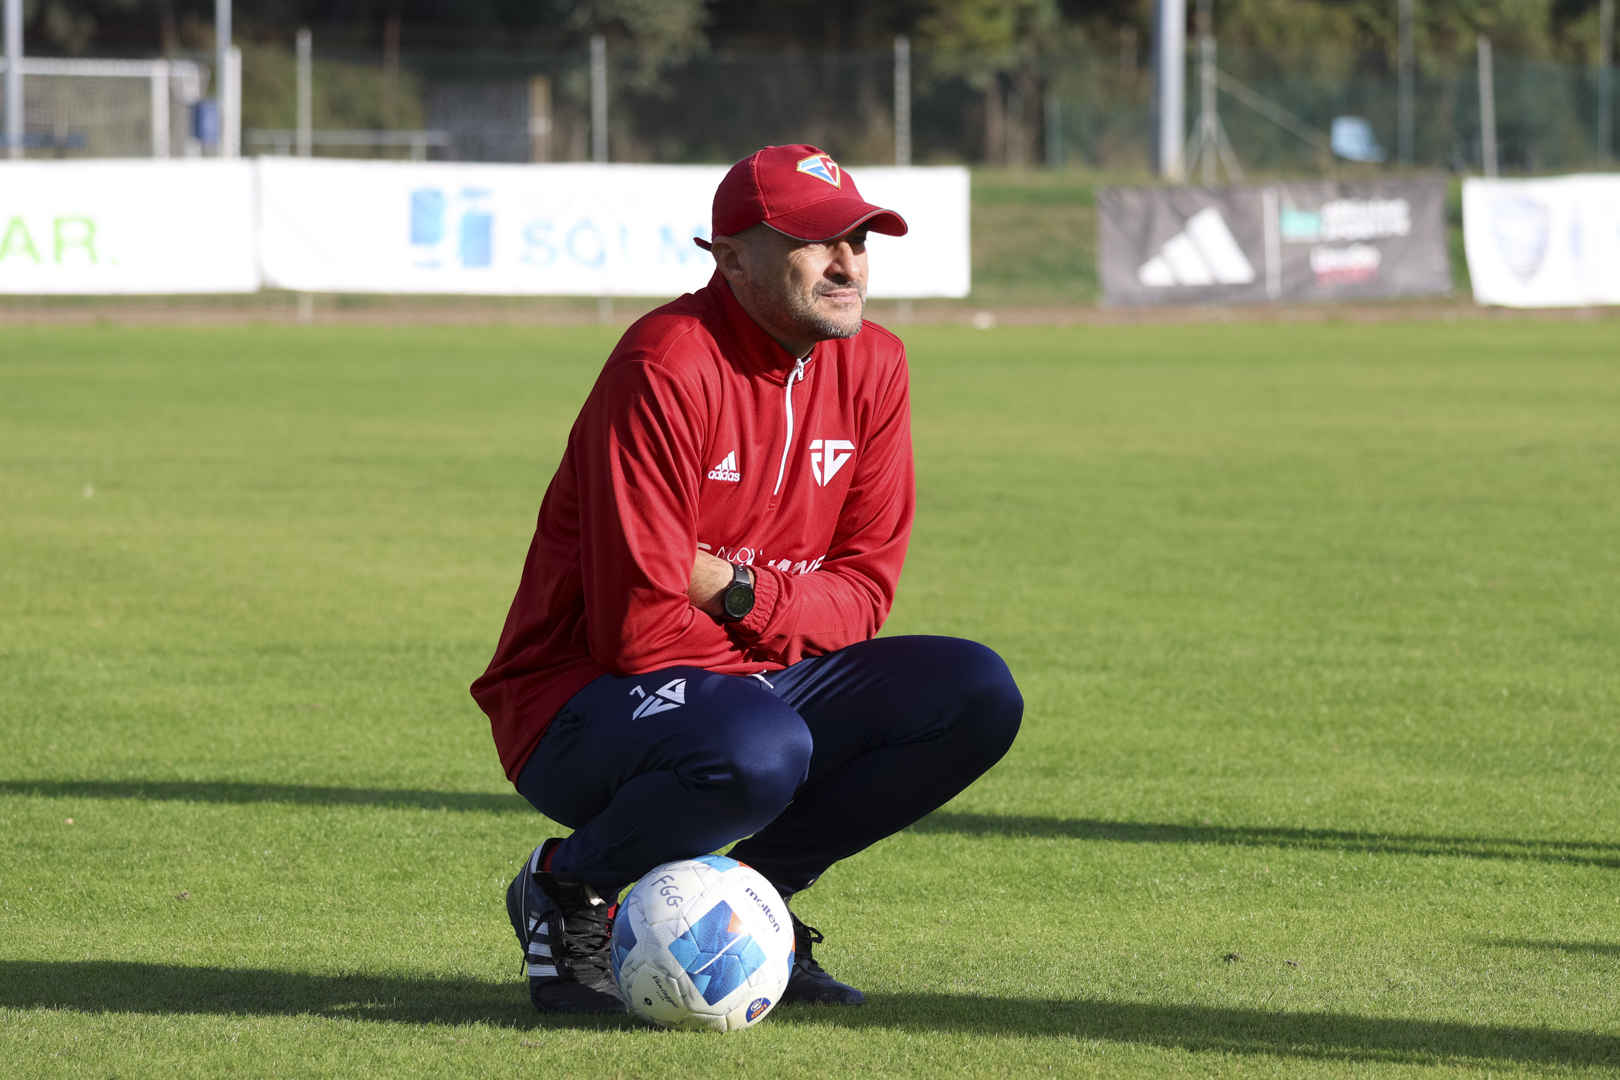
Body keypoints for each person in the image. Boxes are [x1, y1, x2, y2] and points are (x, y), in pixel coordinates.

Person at [471, 144, 1023, 1016]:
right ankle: (568, 884)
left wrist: (732, 585)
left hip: (752, 692)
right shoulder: (665, 365)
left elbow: (864, 597)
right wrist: (774, 651)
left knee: (974, 694)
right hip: (576, 704)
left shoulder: (876, 364)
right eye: (815, 243)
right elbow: (637, 630)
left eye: (859, 240)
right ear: (731, 259)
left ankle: (757, 900)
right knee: (759, 745)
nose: (848, 265)